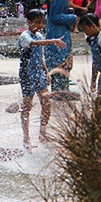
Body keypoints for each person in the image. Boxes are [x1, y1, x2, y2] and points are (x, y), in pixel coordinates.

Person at [18, 9, 66, 150]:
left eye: (42, 22)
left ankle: (42, 133)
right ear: (29, 22)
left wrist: (46, 73)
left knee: (47, 104)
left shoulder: (39, 35)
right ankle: (26, 138)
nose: (40, 25)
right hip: (27, 74)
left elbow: (40, 56)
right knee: (27, 106)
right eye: (37, 22)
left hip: (39, 73)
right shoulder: (25, 36)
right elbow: (33, 44)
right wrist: (53, 41)